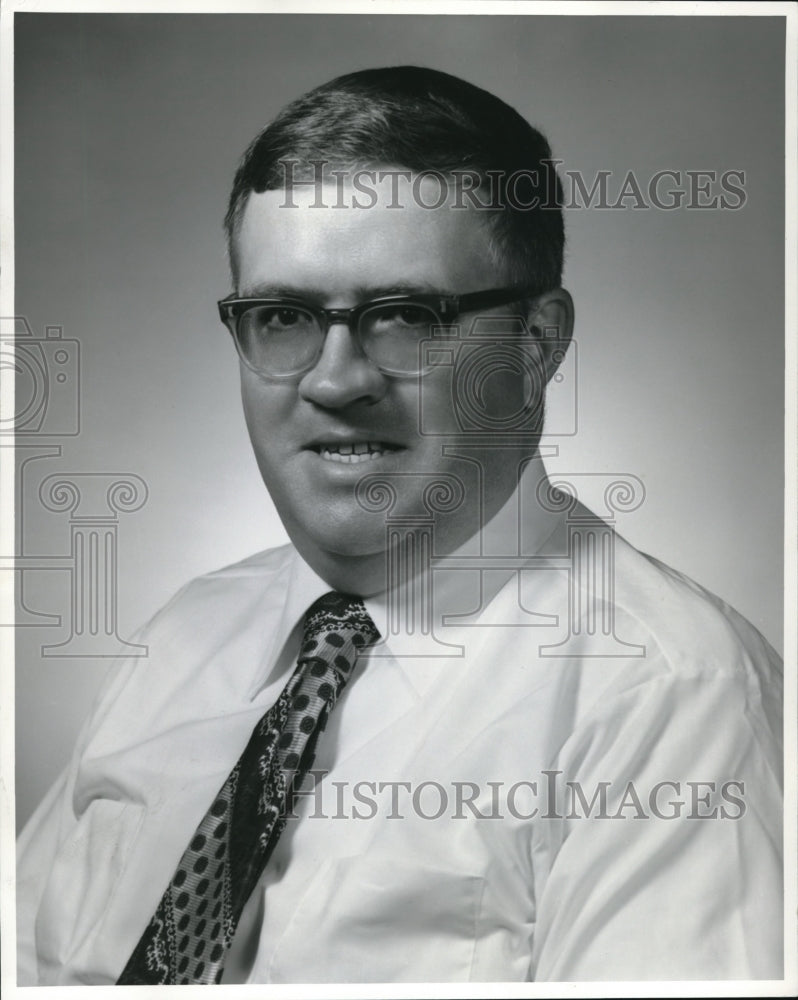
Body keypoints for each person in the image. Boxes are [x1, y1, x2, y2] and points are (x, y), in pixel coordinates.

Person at [16, 65, 783, 985]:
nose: (337, 381)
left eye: (407, 316)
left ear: (536, 344)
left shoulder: (669, 699)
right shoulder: (185, 638)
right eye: (283, 316)